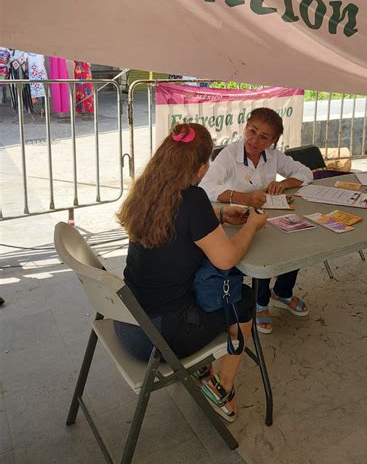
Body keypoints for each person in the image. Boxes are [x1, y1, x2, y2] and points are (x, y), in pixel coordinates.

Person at [115, 123, 266, 422]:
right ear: (199, 168)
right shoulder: (193, 199)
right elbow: (226, 259)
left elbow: (179, 222)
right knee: (245, 298)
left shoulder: (147, 190)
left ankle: (203, 370)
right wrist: (251, 226)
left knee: (198, 292)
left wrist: (221, 214)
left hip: (126, 321)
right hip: (160, 339)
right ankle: (222, 387)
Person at [200, 107, 313, 335]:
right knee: (264, 252)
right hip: (237, 221)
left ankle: (283, 291)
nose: (255, 139)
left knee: (295, 239)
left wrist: (285, 183)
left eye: (264, 137)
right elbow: (206, 187)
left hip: (267, 216)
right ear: (245, 128)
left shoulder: (272, 156)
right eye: (252, 131)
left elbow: (306, 173)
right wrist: (241, 197)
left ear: (273, 141)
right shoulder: (230, 155)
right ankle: (260, 302)